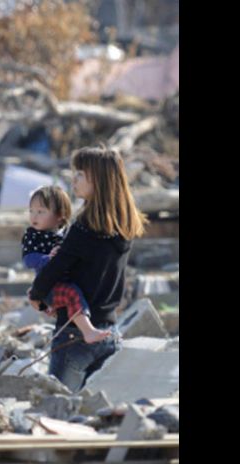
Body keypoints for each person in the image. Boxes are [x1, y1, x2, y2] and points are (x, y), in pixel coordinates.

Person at [28, 146, 148, 391]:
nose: (74, 179)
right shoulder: (123, 227)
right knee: (93, 415)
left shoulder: (84, 226)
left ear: (99, 180)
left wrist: (36, 294)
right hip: (110, 334)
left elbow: (58, 267)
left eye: (80, 174)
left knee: (58, 409)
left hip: (74, 338)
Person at [23, 186, 111, 344]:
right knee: (71, 294)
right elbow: (29, 259)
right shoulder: (33, 236)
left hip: (63, 280)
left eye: (41, 211)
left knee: (76, 293)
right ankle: (88, 331)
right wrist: (48, 259)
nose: (34, 216)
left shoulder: (66, 234)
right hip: (49, 285)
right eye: (31, 211)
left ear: (59, 216)